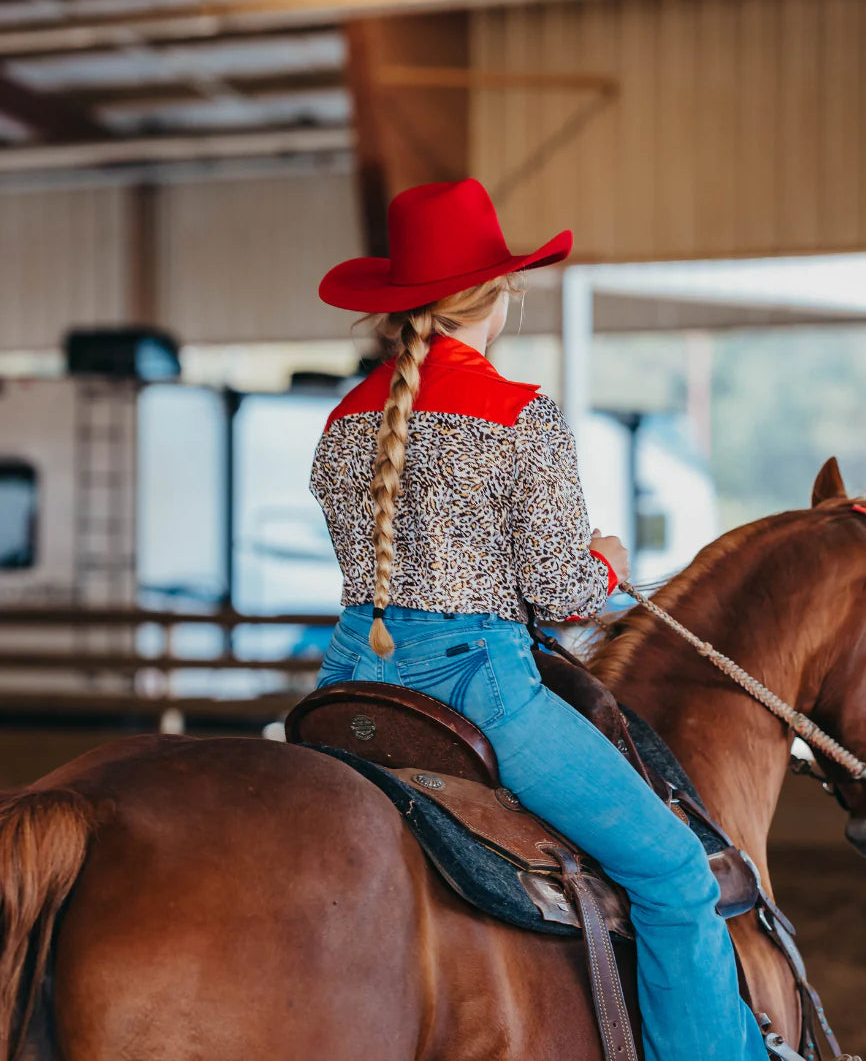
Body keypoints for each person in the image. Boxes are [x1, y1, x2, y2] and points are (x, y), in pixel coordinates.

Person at [309, 178, 766, 1061]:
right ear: (501, 293)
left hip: (351, 684)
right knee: (674, 875)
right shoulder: (520, 417)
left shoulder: (339, 424)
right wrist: (607, 563)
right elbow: (562, 594)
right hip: (481, 690)